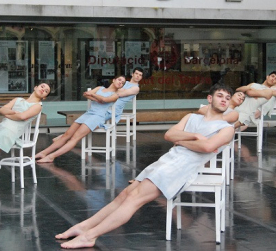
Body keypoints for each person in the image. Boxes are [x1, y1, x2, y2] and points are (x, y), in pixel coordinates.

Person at [55, 84, 235, 249]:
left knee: (135, 198)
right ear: (210, 99)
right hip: (166, 160)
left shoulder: (226, 128)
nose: (224, 100)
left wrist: (181, 141)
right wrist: (195, 137)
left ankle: (90, 235)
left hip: (180, 168)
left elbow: (207, 147)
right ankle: (84, 226)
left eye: (227, 98)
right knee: (125, 194)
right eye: (220, 96)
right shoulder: (191, 118)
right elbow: (169, 134)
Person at [35, 75, 126, 163]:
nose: (120, 83)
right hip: (89, 114)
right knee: (66, 135)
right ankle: (43, 153)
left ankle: (51, 157)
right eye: (119, 80)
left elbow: (104, 100)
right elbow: (86, 94)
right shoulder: (100, 88)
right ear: (114, 80)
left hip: (97, 117)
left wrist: (95, 96)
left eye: (122, 83)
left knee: (75, 138)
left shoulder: (115, 95)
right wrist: (97, 98)